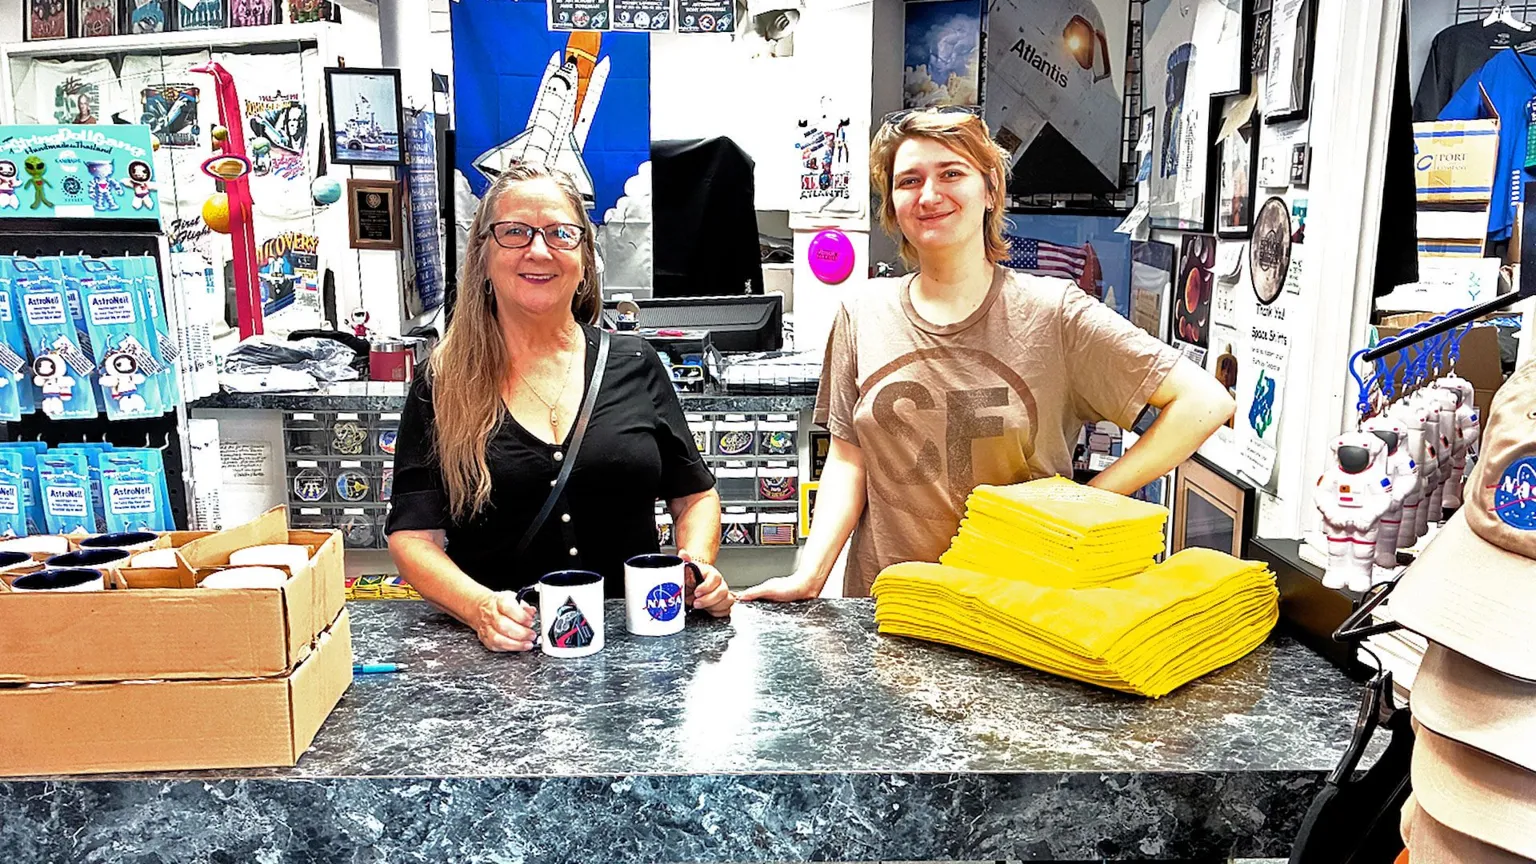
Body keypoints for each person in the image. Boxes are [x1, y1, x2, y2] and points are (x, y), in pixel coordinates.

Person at [741, 108, 1235, 602]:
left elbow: (1205, 402)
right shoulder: (861, 313)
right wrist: (810, 576)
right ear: (892, 204)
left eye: (951, 173)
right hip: (887, 607)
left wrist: (1089, 500)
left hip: (1017, 609)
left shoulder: (1052, 313)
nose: (929, 195)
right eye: (909, 180)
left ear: (990, 189)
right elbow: (850, 461)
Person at [387, 163, 734, 652]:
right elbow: (413, 537)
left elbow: (695, 497)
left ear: (585, 258)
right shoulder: (442, 382)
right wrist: (481, 608)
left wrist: (695, 567)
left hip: (635, 656)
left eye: (559, 233)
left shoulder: (634, 363)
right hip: (500, 665)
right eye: (514, 232)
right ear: (483, 255)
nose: (538, 249)